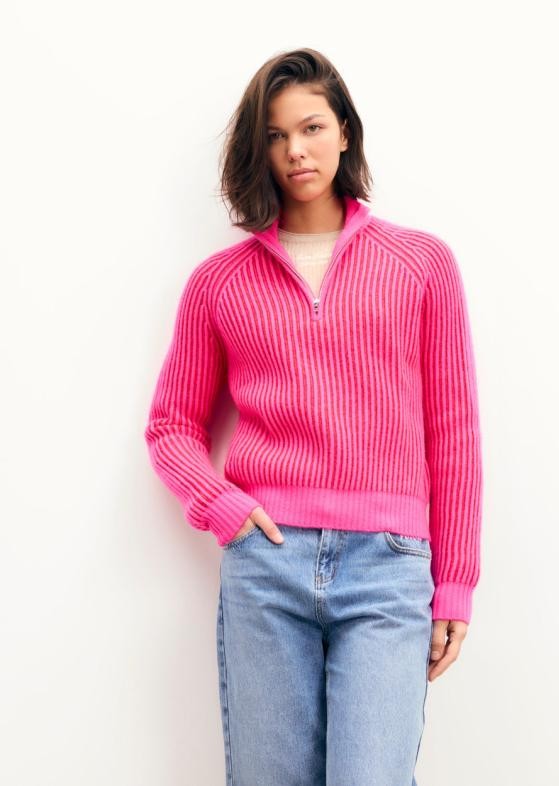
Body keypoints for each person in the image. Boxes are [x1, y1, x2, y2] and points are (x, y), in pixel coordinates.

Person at [144, 47, 483, 786]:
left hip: (388, 568)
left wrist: (455, 580)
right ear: (256, 149)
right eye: (274, 135)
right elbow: (171, 426)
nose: (295, 149)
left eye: (311, 127)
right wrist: (223, 507)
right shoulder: (218, 283)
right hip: (267, 564)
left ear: (344, 132)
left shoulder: (421, 264)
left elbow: (453, 431)